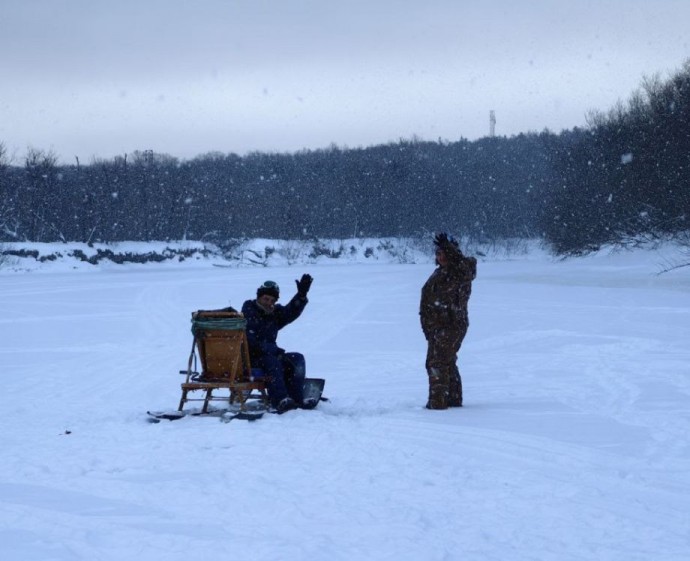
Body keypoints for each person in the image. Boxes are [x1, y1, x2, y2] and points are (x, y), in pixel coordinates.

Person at [419, 233, 477, 410]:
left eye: (444, 253)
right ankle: (452, 399)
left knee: (437, 363)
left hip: (451, 326)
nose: (440, 257)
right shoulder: (441, 272)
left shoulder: (460, 271)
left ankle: (438, 404)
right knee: (446, 361)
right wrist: (428, 327)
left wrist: (451, 250)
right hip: (438, 327)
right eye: (438, 253)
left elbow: (463, 267)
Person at [241, 274, 314, 412]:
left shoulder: (274, 313)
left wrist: (301, 295)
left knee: (297, 358)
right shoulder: (249, 311)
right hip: (250, 358)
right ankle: (280, 400)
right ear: (259, 297)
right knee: (272, 362)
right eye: (266, 299)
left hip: (270, 354)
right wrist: (273, 351)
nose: (269, 302)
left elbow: (290, 312)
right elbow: (250, 341)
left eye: (272, 300)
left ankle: (297, 398)